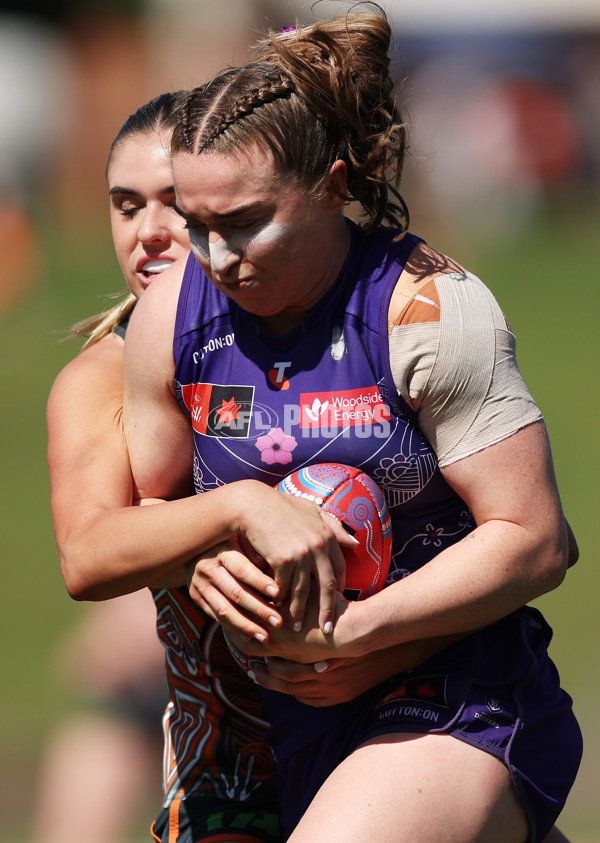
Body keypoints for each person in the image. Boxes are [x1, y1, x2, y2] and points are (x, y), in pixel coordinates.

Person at [120, 8, 582, 843]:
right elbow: (147, 513)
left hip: (456, 694)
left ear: (333, 186)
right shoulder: (171, 315)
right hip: (281, 720)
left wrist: (362, 635)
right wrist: (204, 555)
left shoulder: (428, 309)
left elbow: (536, 538)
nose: (218, 258)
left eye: (248, 221)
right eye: (198, 224)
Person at [46, 91, 288, 843]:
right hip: (234, 774)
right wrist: (238, 508)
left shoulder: (331, 339)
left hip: (405, 721)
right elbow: (87, 552)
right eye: (125, 205)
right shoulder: (101, 377)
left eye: (174, 205)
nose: (148, 233)